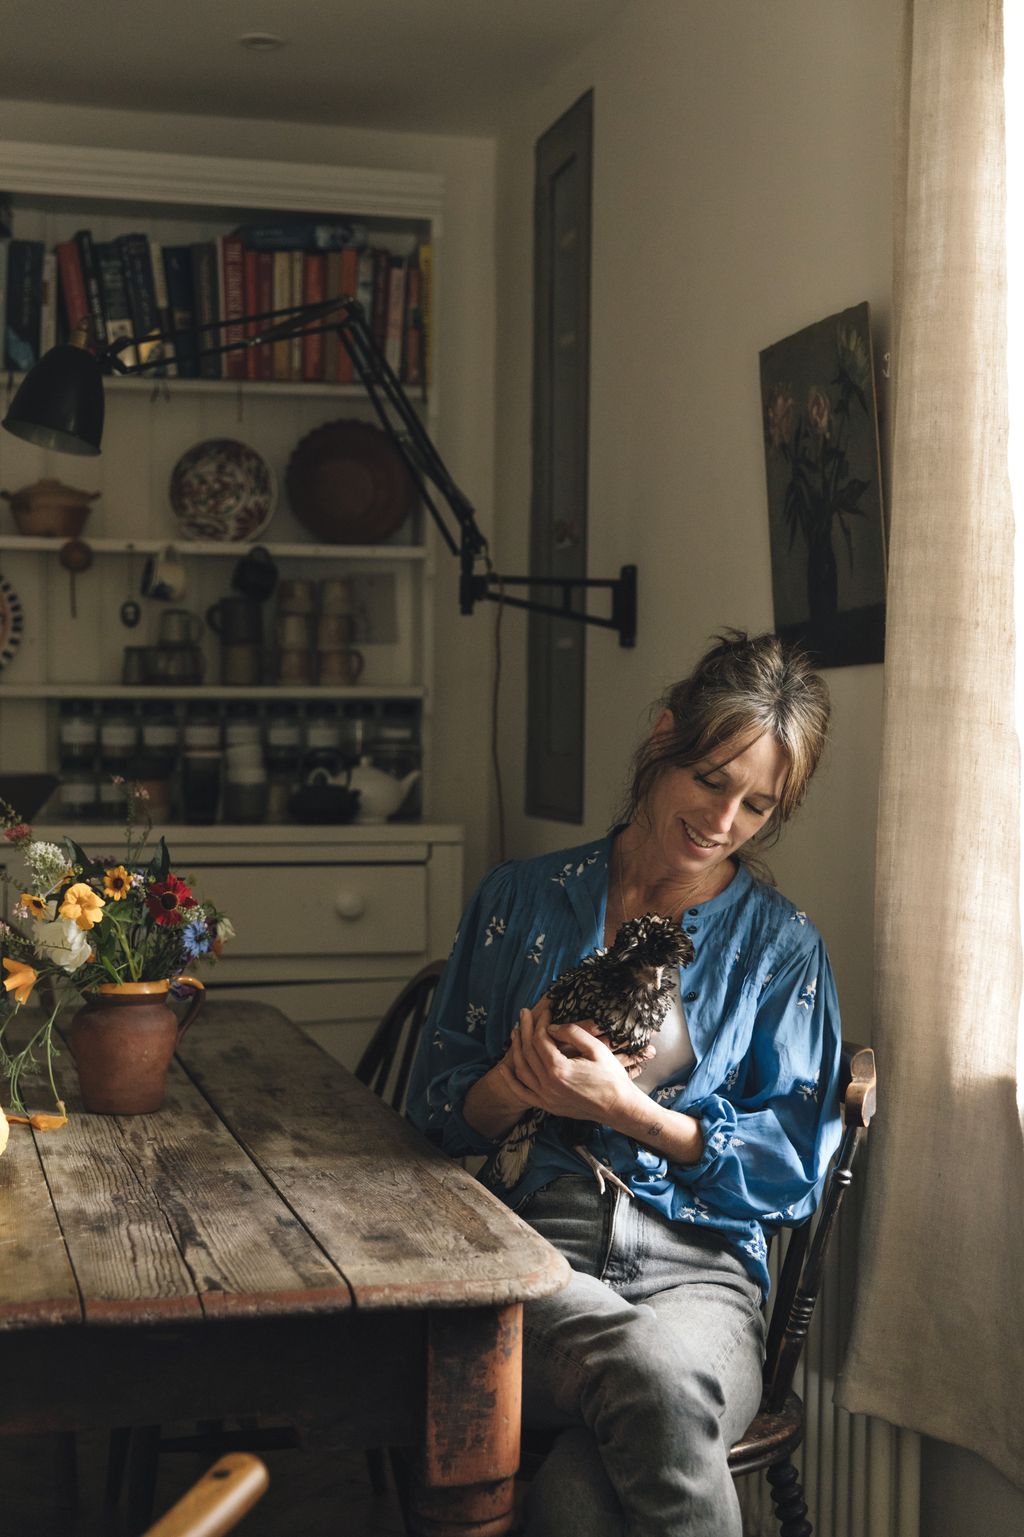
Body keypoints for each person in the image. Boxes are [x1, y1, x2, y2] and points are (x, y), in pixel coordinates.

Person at [407, 630, 842, 1537]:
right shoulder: (519, 900)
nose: (724, 821)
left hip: (704, 1273)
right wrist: (514, 1084)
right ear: (664, 737)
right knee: (652, 1374)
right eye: (712, 780)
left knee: (577, 1500)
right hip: (535, 1248)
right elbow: (433, 1109)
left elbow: (793, 1166)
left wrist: (633, 1113)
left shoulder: (779, 947)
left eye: (757, 806)